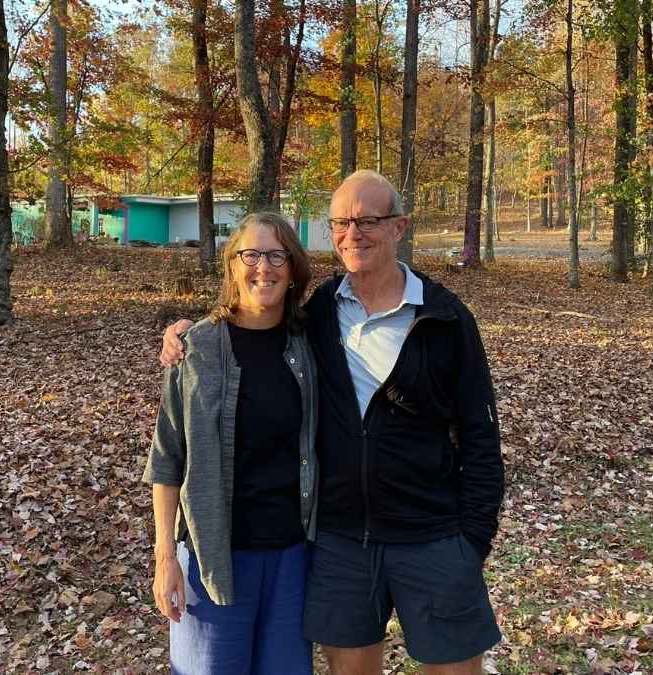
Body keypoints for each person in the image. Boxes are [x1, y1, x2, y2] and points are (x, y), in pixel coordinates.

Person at [161, 170, 505, 675]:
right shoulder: (320, 312)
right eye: (341, 222)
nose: (353, 233)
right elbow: (250, 324)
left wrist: (472, 539)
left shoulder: (445, 318)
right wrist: (187, 331)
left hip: (432, 535)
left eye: (368, 220)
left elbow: (480, 435)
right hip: (342, 541)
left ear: (399, 227)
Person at [143, 212, 318, 675]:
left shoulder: (311, 345)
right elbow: (166, 462)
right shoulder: (194, 348)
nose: (265, 266)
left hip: (292, 558)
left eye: (277, 254)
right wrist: (165, 559)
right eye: (252, 254)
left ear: (293, 267)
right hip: (212, 556)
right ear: (232, 265)